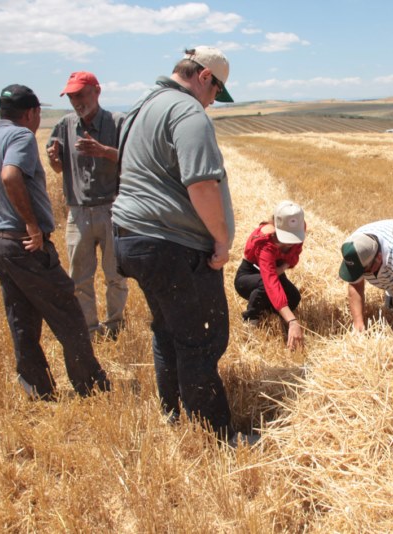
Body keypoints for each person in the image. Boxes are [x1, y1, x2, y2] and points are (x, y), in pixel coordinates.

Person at [0, 84, 110, 400]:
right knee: (68, 313)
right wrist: (32, 225)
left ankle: (38, 388)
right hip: (26, 245)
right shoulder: (20, 137)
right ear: (31, 112)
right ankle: (91, 387)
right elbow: (11, 176)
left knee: (21, 318)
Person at [111, 46, 235, 434]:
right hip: (170, 245)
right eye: (216, 92)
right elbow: (200, 183)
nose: (213, 102)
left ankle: (173, 414)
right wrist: (220, 240)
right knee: (202, 338)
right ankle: (217, 434)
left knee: (168, 330)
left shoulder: (143, 105)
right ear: (204, 77)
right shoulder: (187, 112)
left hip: (133, 239)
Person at [46, 71, 128, 341]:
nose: (76, 101)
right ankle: (91, 330)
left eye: (80, 94)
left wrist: (102, 151)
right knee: (79, 279)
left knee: (115, 275)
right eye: (71, 96)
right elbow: (57, 169)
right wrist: (54, 159)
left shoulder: (117, 122)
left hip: (112, 209)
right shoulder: (64, 126)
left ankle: (115, 325)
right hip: (78, 212)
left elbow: (133, 160)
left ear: (97, 91)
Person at [234, 201, 306, 350]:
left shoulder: (299, 228)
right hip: (249, 274)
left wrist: (281, 268)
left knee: (293, 298)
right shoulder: (265, 243)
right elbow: (270, 282)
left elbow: (295, 254)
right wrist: (292, 321)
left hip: (275, 272)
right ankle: (250, 319)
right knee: (266, 287)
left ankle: (268, 308)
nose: (291, 242)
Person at [338, 219, 393, 332]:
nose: (362, 275)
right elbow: (355, 286)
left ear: (377, 258)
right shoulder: (355, 246)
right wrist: (359, 325)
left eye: (364, 271)